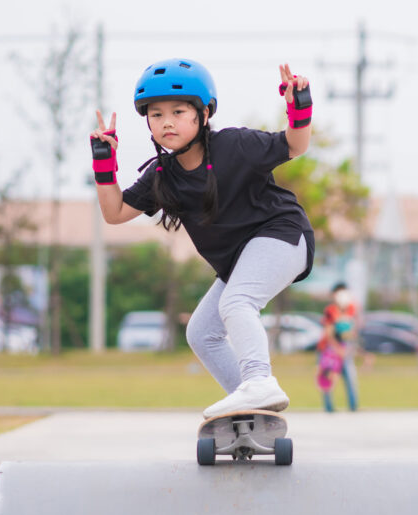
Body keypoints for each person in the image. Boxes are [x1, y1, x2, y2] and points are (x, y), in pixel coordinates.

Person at [89, 59, 315, 418]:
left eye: (178, 111)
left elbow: (295, 145)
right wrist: (104, 164)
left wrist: (298, 104)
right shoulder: (162, 176)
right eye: (156, 114)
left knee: (237, 302)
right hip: (240, 260)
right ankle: (252, 410)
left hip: (282, 236)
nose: (166, 122)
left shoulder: (235, 145)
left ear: (204, 114)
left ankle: (260, 382)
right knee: (201, 332)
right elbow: (115, 212)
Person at [316, 283, 358, 412]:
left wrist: (348, 347)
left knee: (350, 377)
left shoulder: (351, 308)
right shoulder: (330, 310)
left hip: (344, 348)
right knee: (327, 377)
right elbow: (329, 333)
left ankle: (353, 407)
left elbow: (351, 331)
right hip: (328, 349)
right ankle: (329, 407)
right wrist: (337, 349)